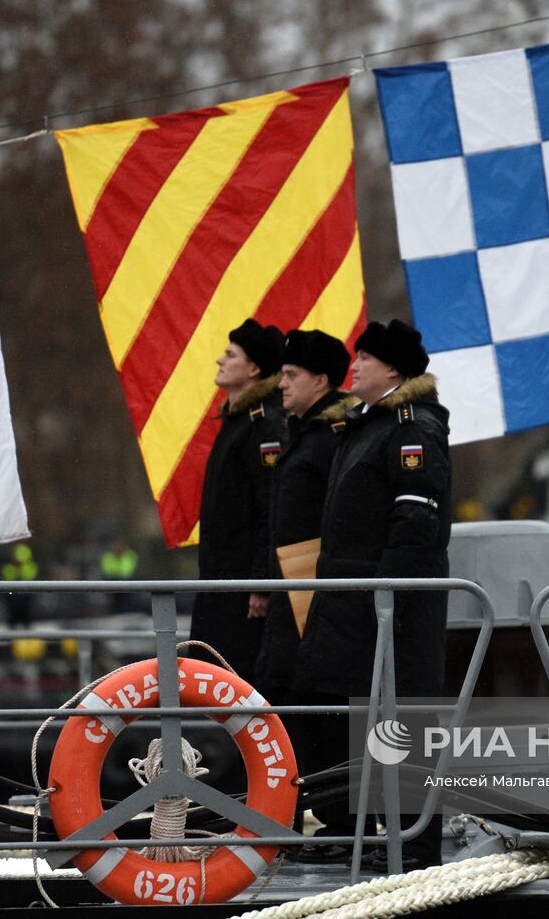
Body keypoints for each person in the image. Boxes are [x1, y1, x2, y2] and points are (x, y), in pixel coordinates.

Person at [292, 318, 451, 869]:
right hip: (353, 606)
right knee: (351, 718)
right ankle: (374, 841)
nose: (352, 366)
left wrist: (388, 603)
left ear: (392, 370)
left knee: (400, 725)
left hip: (391, 612)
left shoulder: (411, 428)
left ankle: (413, 850)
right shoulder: (365, 426)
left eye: (364, 357)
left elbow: (414, 525)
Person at [250, 329, 355, 858]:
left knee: (318, 705)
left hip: (316, 593)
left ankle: (337, 824)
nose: (282, 384)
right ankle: (289, 820)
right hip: (290, 589)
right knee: (284, 700)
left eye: (292, 377)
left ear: (320, 380)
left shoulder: (334, 433)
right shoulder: (304, 430)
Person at [188, 319, 286, 679]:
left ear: (254, 369)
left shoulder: (264, 425)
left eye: (230, 354)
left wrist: (261, 582)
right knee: (213, 680)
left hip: (244, 593)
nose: (219, 360)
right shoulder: (238, 420)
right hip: (221, 584)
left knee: (238, 682)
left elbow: (270, 509)